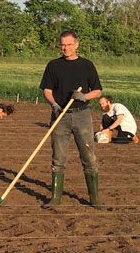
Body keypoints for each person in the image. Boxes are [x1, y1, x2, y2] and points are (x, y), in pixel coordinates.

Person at [40, 30, 103, 209]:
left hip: (82, 115)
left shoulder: (87, 65)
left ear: (77, 45)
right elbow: (47, 91)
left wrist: (84, 96)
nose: (65, 48)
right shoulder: (53, 66)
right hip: (60, 116)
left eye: (68, 44)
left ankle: (94, 199)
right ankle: (55, 198)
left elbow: (98, 90)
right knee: (58, 158)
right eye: (62, 44)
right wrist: (53, 104)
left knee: (89, 157)